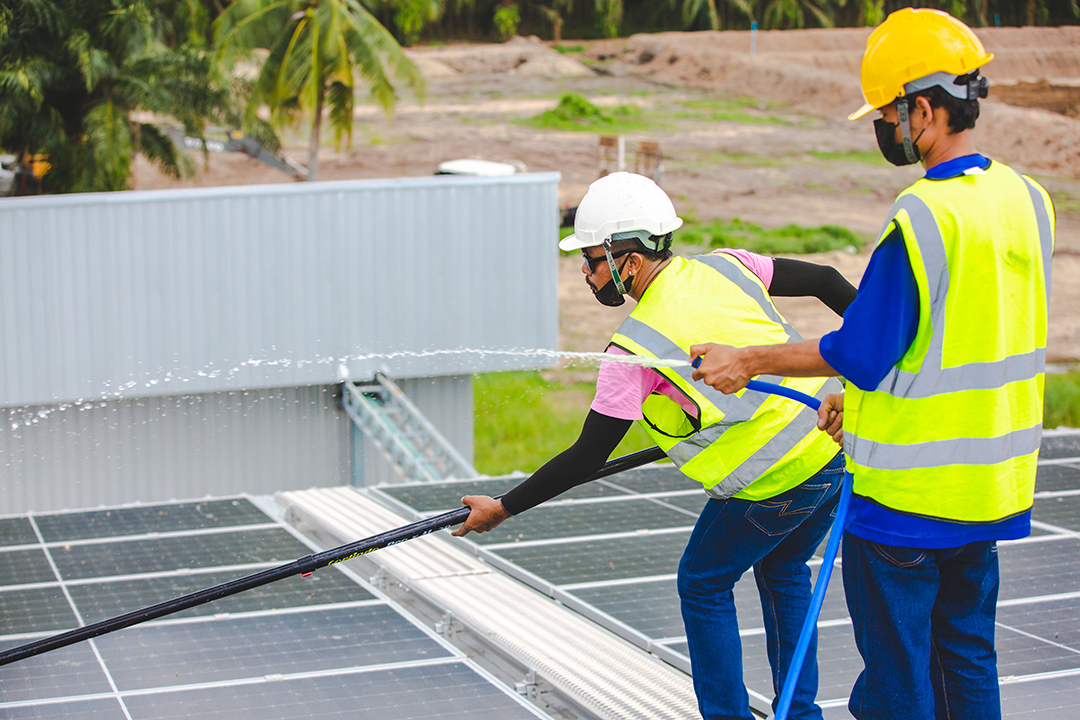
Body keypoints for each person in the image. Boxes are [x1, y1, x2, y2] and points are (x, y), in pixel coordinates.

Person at [689, 9, 1055, 720]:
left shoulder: (925, 215)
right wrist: (858, 401)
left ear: (922, 109)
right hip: (988, 494)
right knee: (968, 657)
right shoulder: (1027, 201)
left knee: (897, 683)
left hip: (905, 507)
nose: (882, 129)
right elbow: (956, 339)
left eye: (886, 114)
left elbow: (862, 350)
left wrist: (747, 359)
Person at [453, 171, 857, 720]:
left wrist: (502, 508)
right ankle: (800, 714)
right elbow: (829, 280)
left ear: (630, 261)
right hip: (833, 454)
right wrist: (872, 362)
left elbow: (586, 456)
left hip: (774, 483)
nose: (585, 272)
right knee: (783, 569)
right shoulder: (729, 264)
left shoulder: (632, 349)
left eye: (592, 259)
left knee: (702, 582)